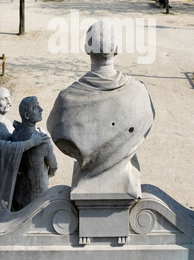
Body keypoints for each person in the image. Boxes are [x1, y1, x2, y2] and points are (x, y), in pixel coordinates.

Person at [47, 21, 155, 199]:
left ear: (86, 49)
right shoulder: (140, 94)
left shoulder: (65, 102)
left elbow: (56, 129)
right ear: (117, 49)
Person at [0, 88, 49, 209]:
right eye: (4, 99)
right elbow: (7, 146)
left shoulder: (4, 121)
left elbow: (13, 138)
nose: (9, 101)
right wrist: (32, 141)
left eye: (9, 97)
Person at [11, 96, 58, 211]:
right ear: (27, 115)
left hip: (19, 195)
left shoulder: (15, 135)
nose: (41, 109)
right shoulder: (43, 141)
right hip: (37, 196)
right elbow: (54, 167)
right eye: (35, 107)